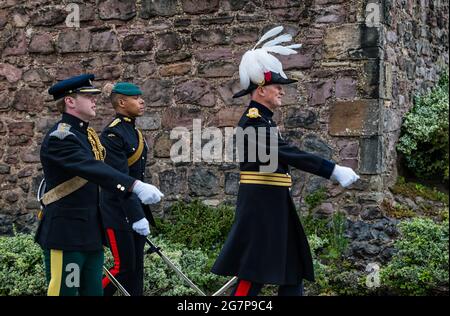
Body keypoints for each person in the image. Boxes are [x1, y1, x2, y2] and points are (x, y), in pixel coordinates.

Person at [211, 26, 359, 296]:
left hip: (274, 202)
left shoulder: (264, 121)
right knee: (251, 272)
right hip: (261, 207)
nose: (282, 91)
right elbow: (288, 153)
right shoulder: (253, 123)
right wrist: (332, 170)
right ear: (261, 90)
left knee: (292, 270)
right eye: (277, 87)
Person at [35, 74, 164, 296]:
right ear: (70, 101)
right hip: (67, 235)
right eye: (88, 96)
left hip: (90, 234)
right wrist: (134, 185)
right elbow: (92, 168)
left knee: (93, 292)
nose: (95, 100)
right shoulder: (61, 138)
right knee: (65, 292)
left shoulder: (86, 135)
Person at [100, 82, 156, 296]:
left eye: (141, 97)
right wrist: (135, 215)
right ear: (122, 102)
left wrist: (140, 213)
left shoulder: (133, 131)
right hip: (118, 211)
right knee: (121, 269)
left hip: (135, 210)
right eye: (136, 98)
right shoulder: (113, 135)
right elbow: (120, 180)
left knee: (136, 270)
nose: (141, 101)